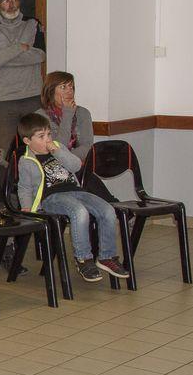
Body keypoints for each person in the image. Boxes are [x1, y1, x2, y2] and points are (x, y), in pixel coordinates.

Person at [16, 113, 131, 284]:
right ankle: (83, 259)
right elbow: (24, 187)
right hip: (52, 197)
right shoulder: (26, 161)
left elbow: (76, 165)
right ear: (27, 141)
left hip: (76, 191)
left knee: (107, 210)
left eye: (48, 134)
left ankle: (107, 256)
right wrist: (26, 206)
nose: (47, 139)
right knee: (79, 212)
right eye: (41, 137)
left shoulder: (58, 147)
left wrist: (58, 151)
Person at [0, 0, 46, 155]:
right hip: (2, 100)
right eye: (6, 1)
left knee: (39, 149)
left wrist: (2, 58)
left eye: (14, 0)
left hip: (32, 96)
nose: (11, 5)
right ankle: (8, 183)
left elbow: (39, 56)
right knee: (5, 152)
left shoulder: (33, 24)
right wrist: (18, 48)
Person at [39, 71, 94, 162]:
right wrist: (68, 114)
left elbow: (87, 146)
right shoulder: (40, 117)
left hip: (78, 164)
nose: (69, 91)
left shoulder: (83, 113)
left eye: (71, 87)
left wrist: (67, 160)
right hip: (51, 168)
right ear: (51, 91)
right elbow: (57, 147)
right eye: (63, 87)